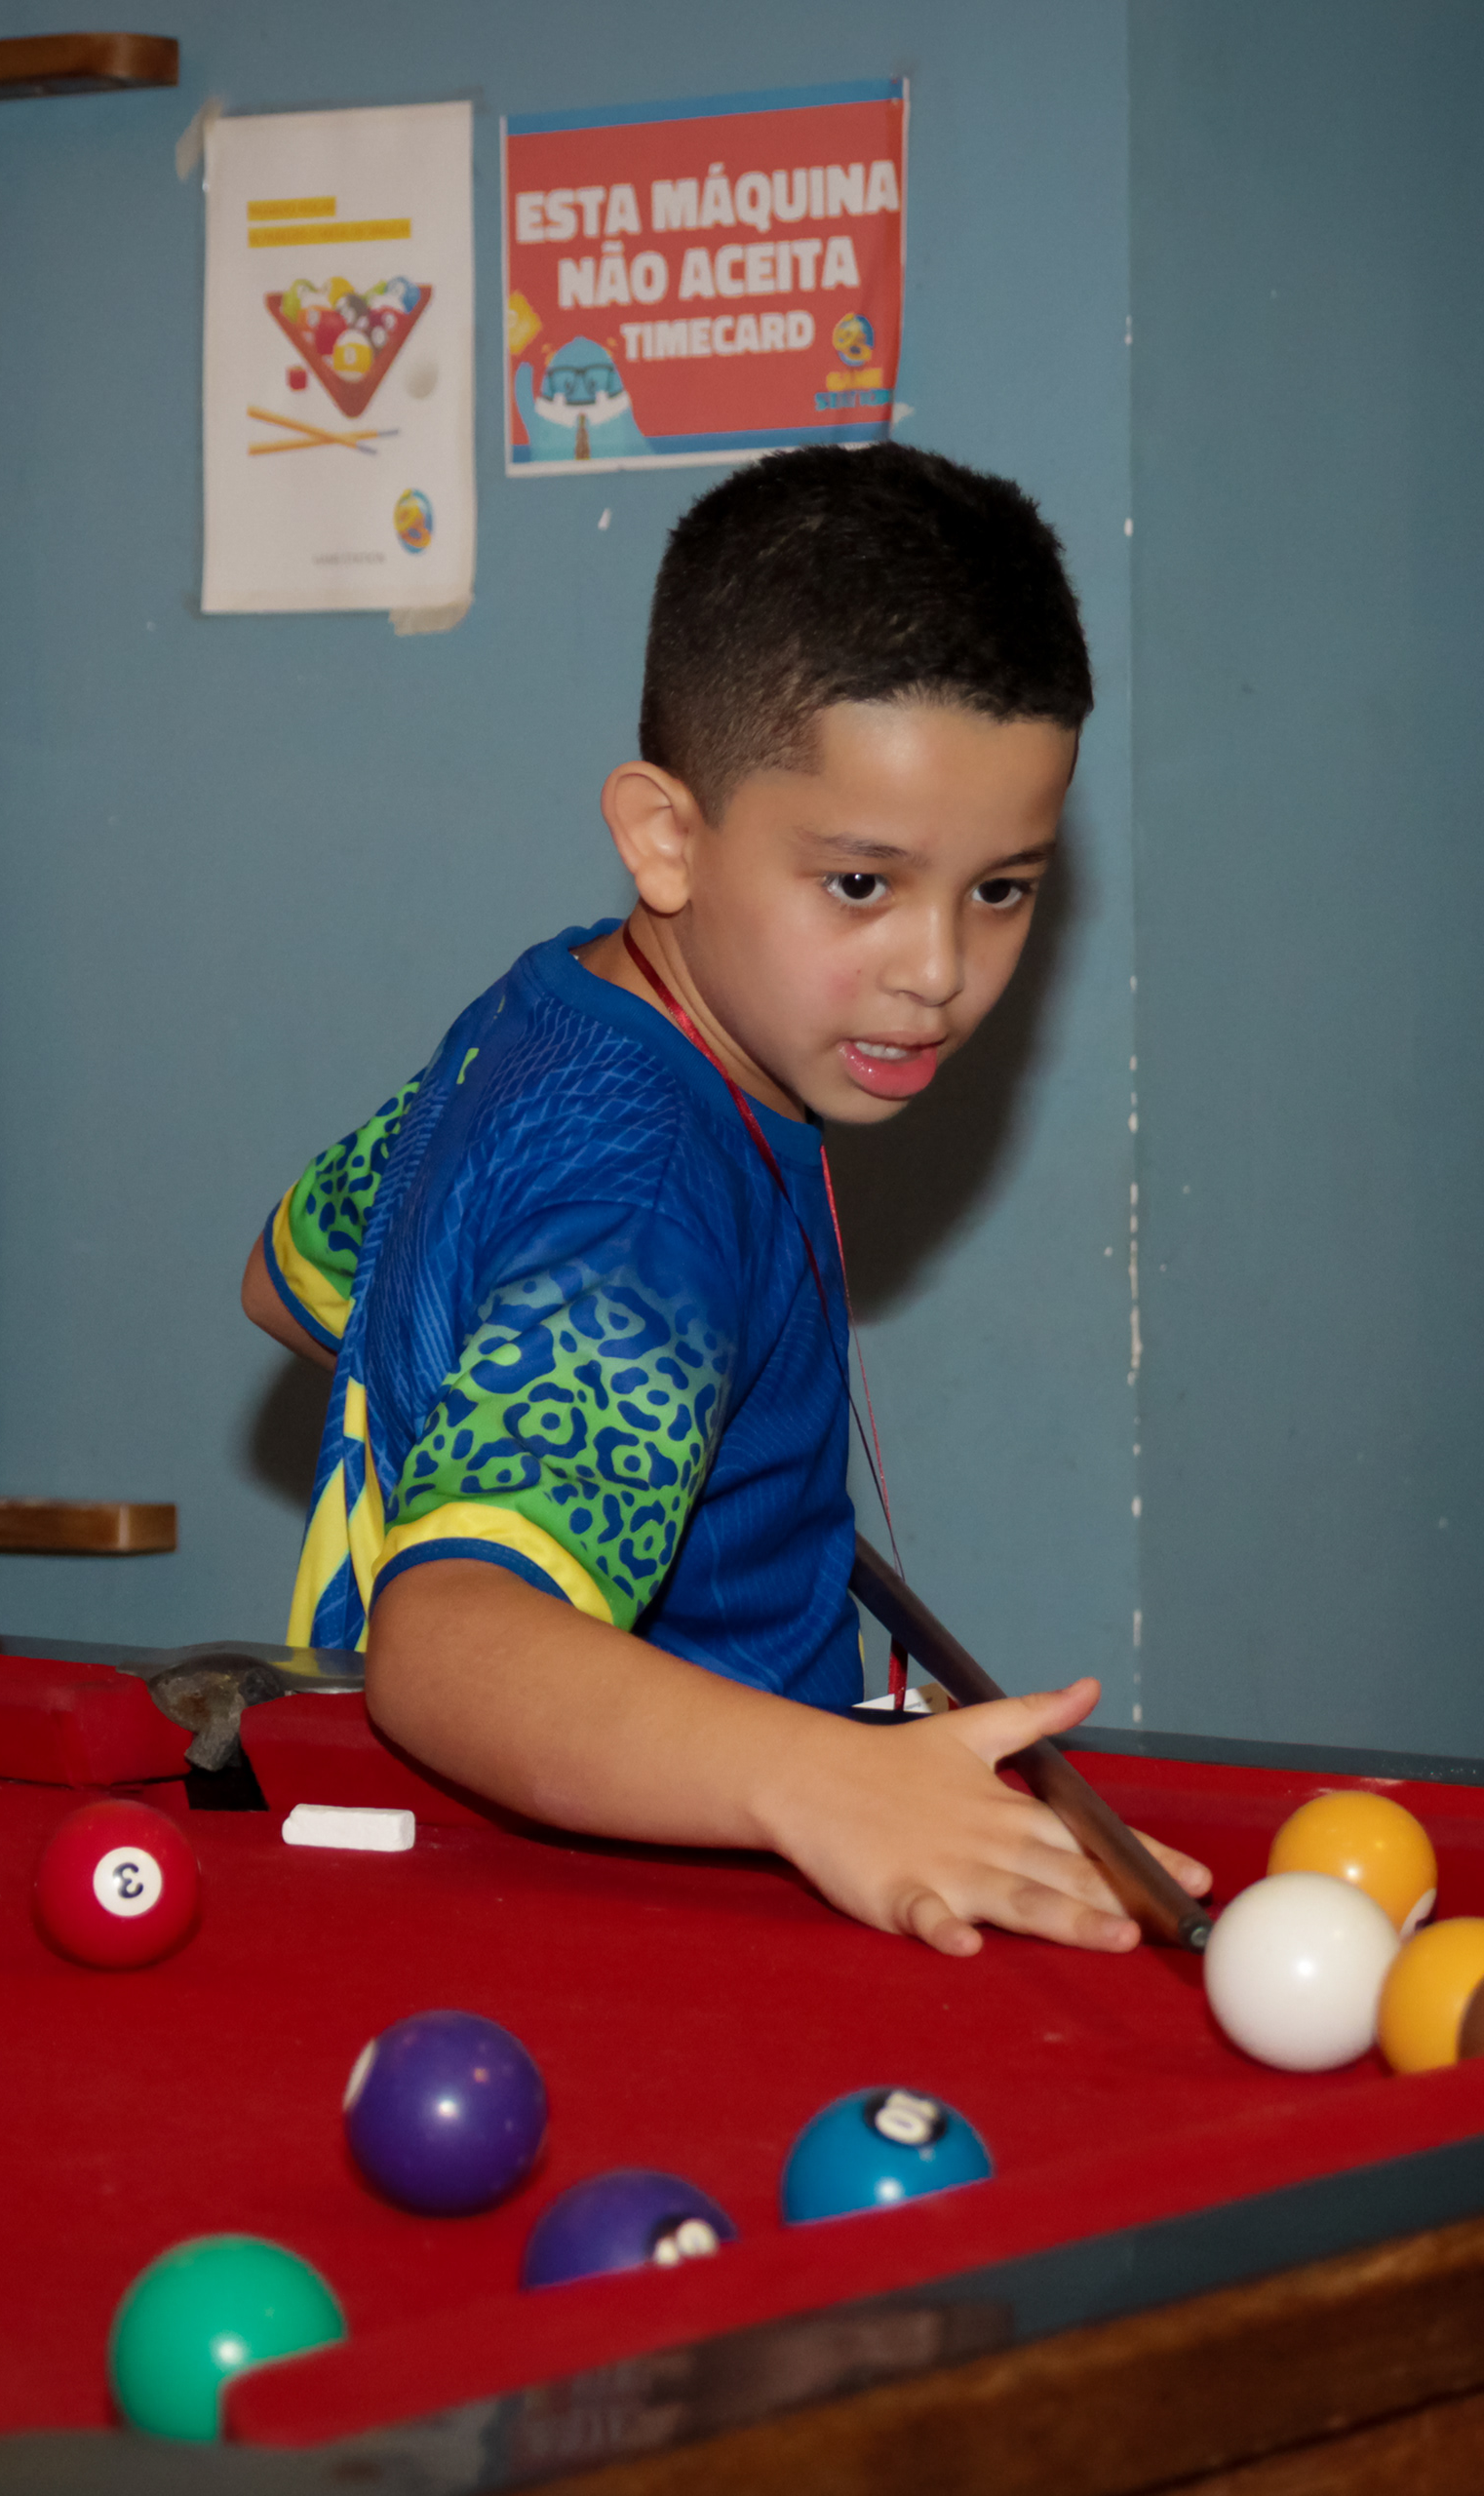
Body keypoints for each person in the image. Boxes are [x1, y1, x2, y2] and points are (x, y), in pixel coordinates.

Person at [240, 444, 1206, 1957]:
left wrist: (616, 1433)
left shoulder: (555, 1008)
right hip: (638, 1927)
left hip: (510, 1884)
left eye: (1001, 888)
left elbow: (295, 1277)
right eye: (863, 884)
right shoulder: (649, 1203)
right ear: (666, 838)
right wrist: (827, 1779)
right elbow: (447, 1646)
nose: (939, 970)